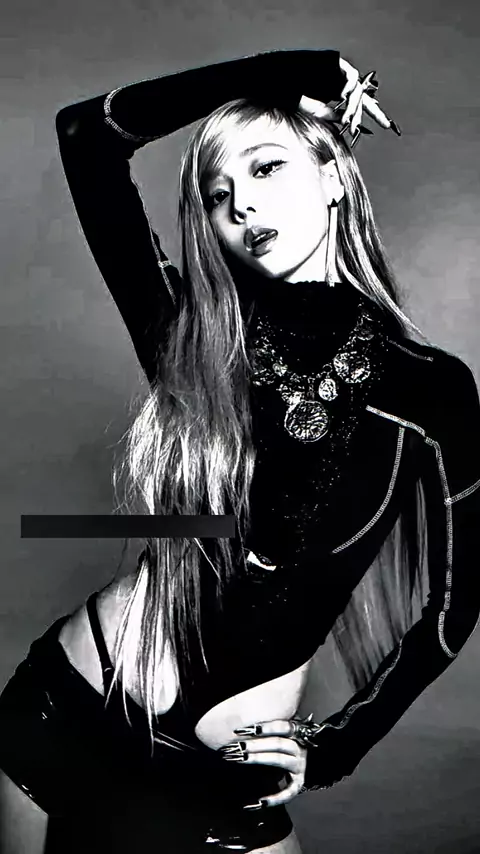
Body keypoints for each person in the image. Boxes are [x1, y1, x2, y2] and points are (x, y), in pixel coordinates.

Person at [0, 48, 479, 854]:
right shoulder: (192, 335)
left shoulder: (432, 389)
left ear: (335, 174)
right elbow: (86, 135)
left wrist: (337, 745)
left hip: (225, 773)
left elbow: (456, 602)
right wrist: (277, 73)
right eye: (219, 195)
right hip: (67, 709)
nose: (242, 205)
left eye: (265, 168)